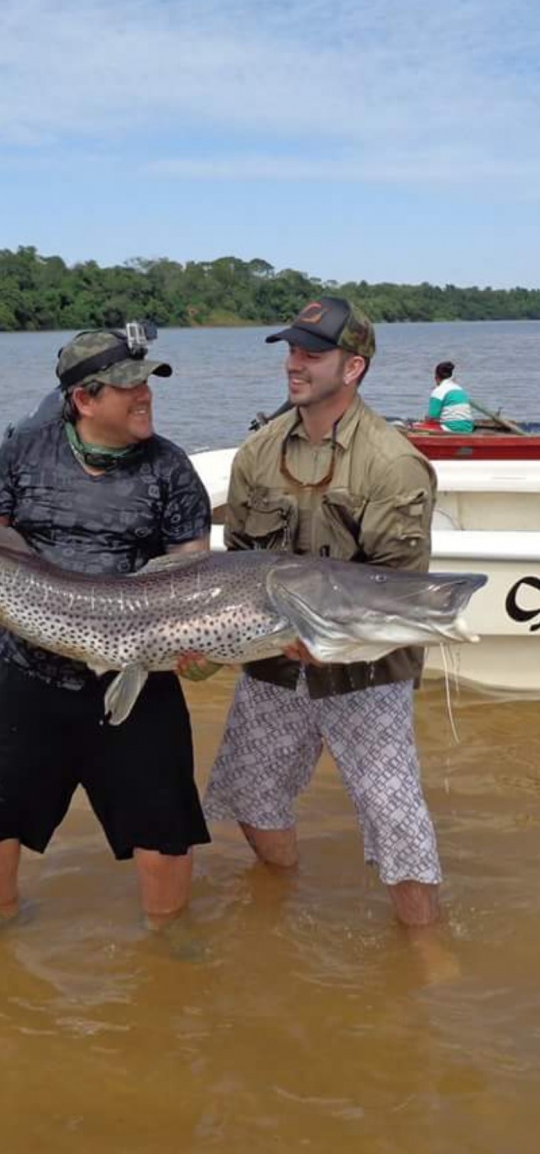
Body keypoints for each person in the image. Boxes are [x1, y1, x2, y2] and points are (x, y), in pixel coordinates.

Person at [0, 327, 212, 937]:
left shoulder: (171, 468)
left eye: (148, 385)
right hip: (26, 667)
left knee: (165, 827)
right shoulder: (26, 451)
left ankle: (169, 944)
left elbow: (195, 569)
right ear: (85, 398)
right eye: (130, 387)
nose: (146, 397)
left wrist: (203, 648)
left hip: (140, 669)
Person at [203, 296, 444, 928]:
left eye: (312, 354)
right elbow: (236, 566)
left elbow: (399, 594)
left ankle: (424, 948)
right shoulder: (256, 453)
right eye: (291, 350)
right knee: (251, 796)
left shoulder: (392, 462)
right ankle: (282, 901)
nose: (294, 364)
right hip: (272, 664)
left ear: (354, 367)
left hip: (364, 671)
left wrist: (328, 640)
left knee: (395, 815)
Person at [425, 360, 474, 432]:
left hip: (451, 429)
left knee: (425, 426)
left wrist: (425, 420)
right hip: (468, 428)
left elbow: (432, 417)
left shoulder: (438, 391)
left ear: (436, 377)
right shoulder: (459, 389)